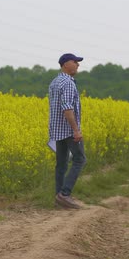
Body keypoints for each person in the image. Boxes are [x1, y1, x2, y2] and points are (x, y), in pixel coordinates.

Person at [48, 53, 87, 209]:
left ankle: (59, 197)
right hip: (69, 130)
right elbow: (67, 109)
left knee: (61, 164)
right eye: (75, 62)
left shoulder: (54, 82)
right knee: (80, 159)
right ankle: (64, 194)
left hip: (57, 130)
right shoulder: (68, 83)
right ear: (65, 64)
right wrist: (76, 130)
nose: (78, 64)